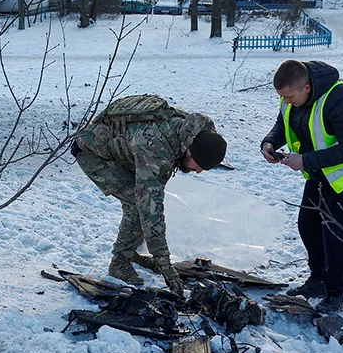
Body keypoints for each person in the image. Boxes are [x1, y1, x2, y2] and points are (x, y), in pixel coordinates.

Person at [72, 94, 227, 295]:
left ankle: (131, 251)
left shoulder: (192, 131)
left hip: (124, 150)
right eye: (199, 166)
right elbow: (150, 209)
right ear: (188, 152)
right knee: (138, 204)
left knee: (140, 200)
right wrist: (166, 268)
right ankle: (120, 262)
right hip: (93, 154)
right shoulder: (157, 150)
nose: (198, 171)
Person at [260, 60, 343, 313]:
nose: (286, 101)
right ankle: (317, 280)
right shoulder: (291, 97)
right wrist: (270, 142)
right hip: (320, 172)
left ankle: (336, 292)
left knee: (338, 236)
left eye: (290, 97)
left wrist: (304, 160)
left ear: (307, 87)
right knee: (308, 224)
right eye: (283, 97)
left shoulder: (341, 98)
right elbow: (283, 124)